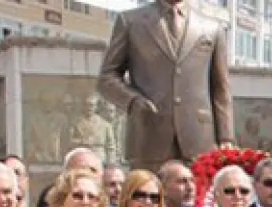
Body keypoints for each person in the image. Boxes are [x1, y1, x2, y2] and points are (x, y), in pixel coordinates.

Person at [98, 0, 234, 171]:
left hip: (199, 139)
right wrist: (133, 101)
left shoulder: (212, 27)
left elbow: (220, 87)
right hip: (149, 133)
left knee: (197, 194)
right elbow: (107, 77)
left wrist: (225, 137)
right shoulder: (131, 21)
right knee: (148, 194)